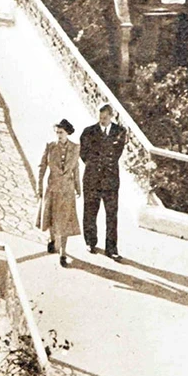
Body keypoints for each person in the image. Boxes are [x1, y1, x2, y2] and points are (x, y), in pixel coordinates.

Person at [79, 103, 127, 261]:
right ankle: (90, 242)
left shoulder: (120, 132)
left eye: (105, 118)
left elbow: (115, 154)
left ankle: (111, 248)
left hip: (110, 181)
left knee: (112, 215)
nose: (102, 121)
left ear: (111, 116)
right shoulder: (88, 132)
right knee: (90, 211)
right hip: (92, 179)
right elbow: (84, 154)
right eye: (100, 118)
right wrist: (95, 166)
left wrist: (100, 159)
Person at [37, 119, 81, 268]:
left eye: (61, 133)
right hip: (53, 188)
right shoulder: (50, 147)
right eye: (57, 133)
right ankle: (52, 240)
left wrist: (78, 188)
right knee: (51, 216)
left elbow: (76, 169)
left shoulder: (75, 148)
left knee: (65, 221)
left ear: (67, 133)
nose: (59, 135)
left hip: (67, 190)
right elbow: (42, 167)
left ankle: (63, 253)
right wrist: (39, 187)